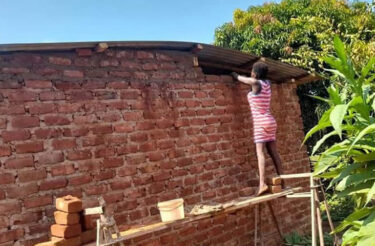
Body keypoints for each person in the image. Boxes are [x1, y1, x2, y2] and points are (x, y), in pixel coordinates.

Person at [231, 62, 283, 196]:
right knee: (274, 153)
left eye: (252, 71)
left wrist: (234, 75)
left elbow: (241, 79)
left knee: (260, 153)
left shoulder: (255, 83)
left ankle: (262, 184)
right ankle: (284, 180)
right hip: (270, 121)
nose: (251, 73)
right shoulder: (268, 83)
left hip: (260, 122)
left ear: (255, 73)